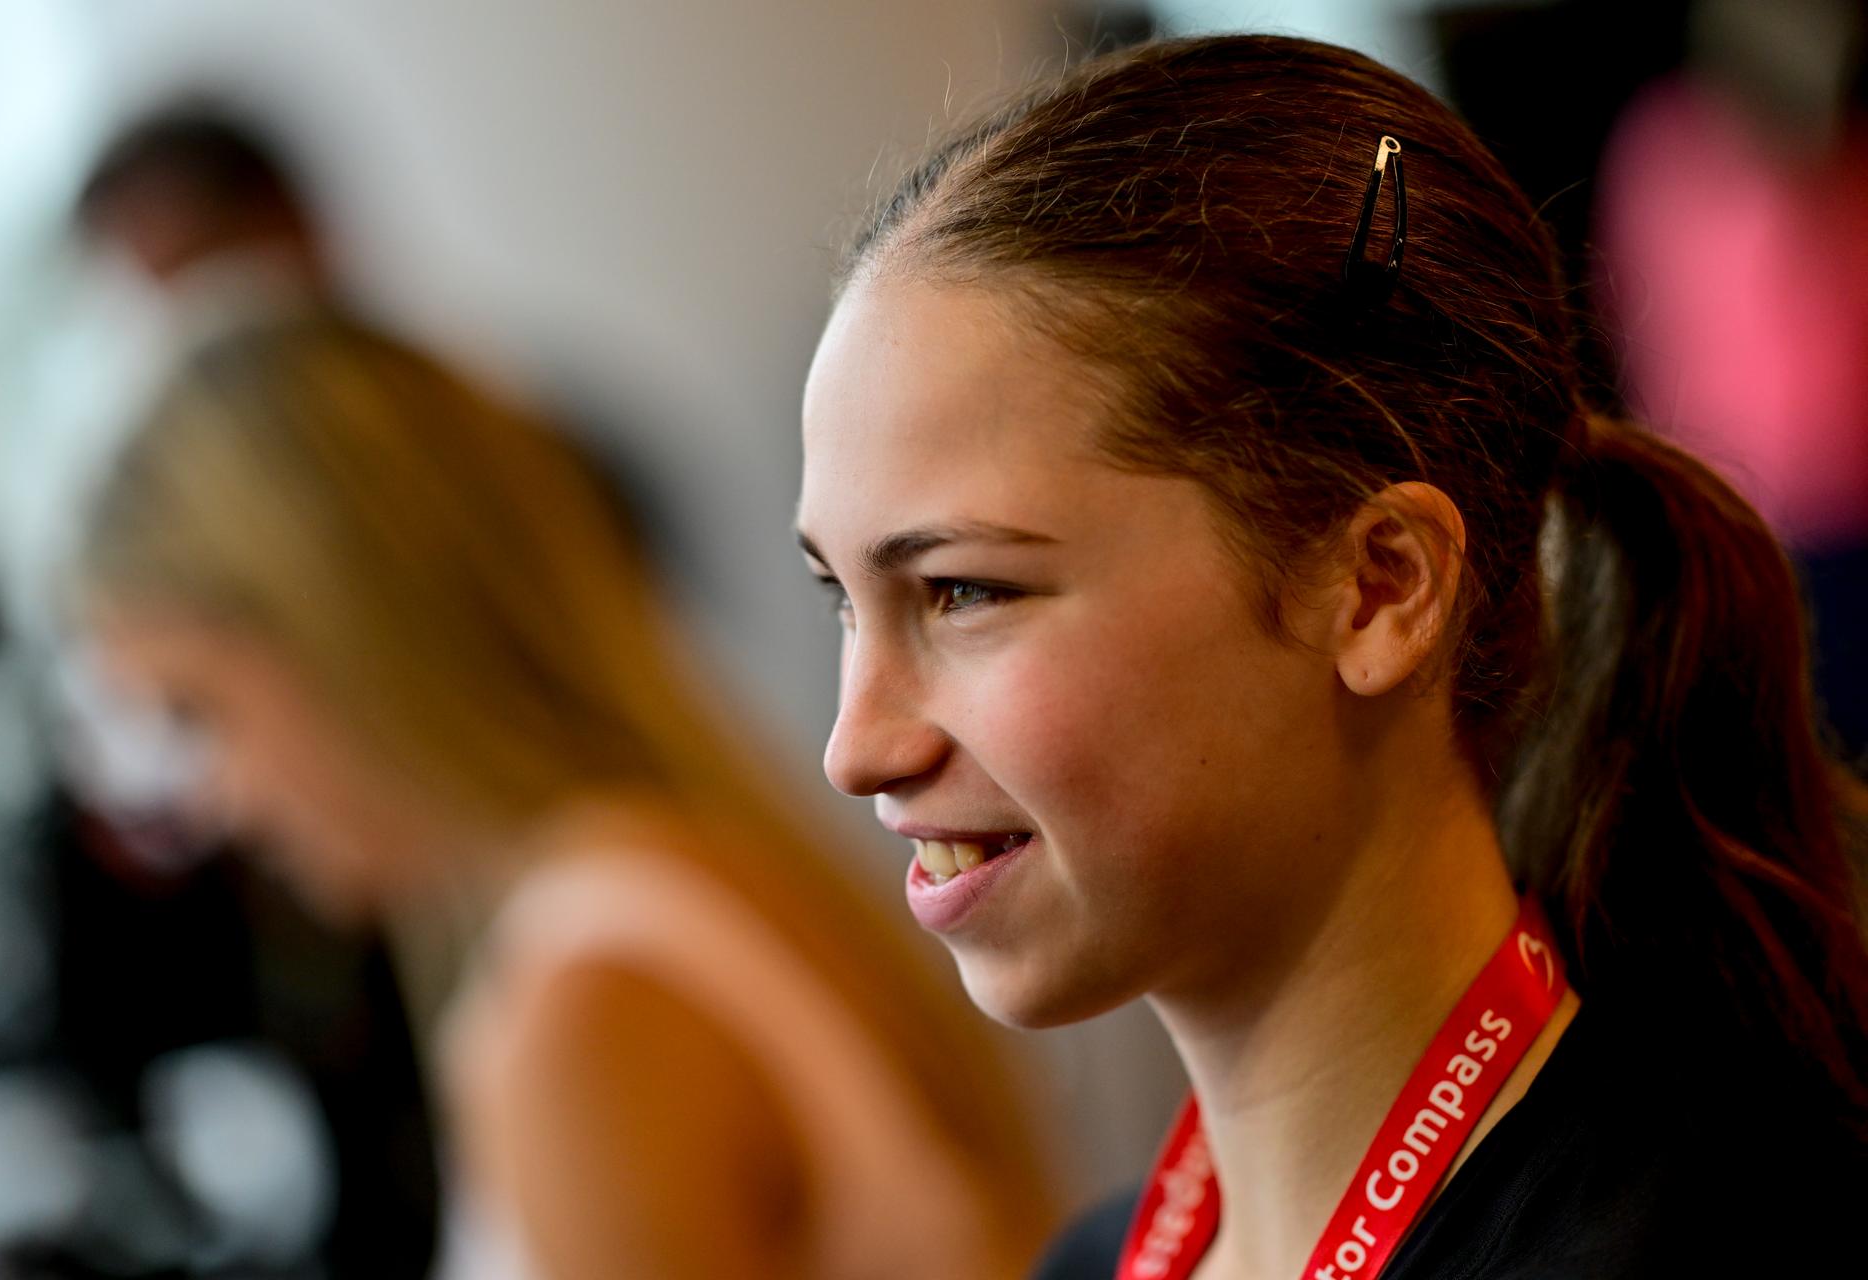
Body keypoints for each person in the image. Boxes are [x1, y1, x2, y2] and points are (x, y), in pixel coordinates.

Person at [796, 33, 1868, 1280]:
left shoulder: (1726, 1241)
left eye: (964, 590)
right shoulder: (1092, 1261)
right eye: (840, 597)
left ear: (1379, 587)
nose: (856, 747)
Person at [73, 311, 1057, 1280]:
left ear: (338, 630)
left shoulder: (593, 1001)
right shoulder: (695, 869)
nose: (207, 802)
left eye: (196, 711)